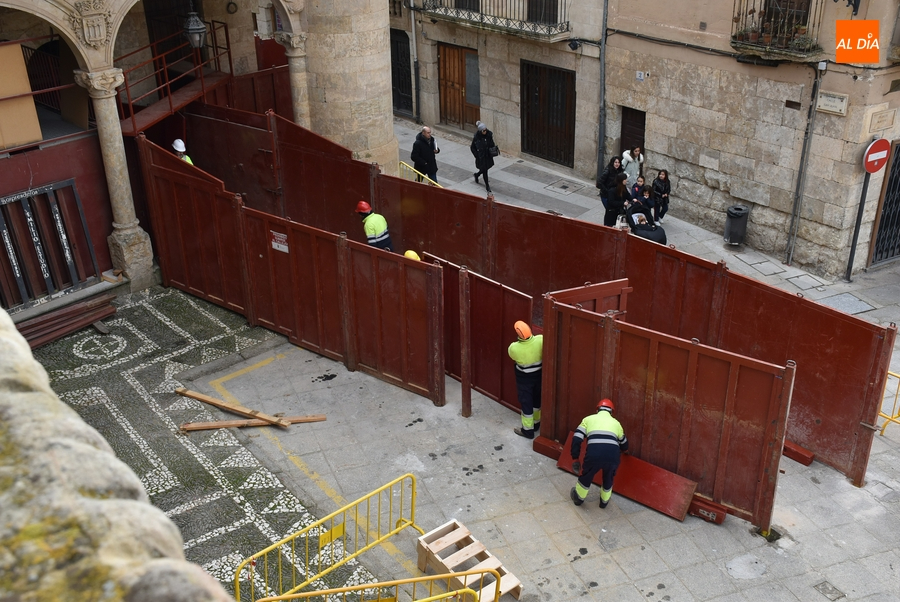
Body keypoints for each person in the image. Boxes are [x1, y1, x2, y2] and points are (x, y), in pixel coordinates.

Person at [569, 398, 628, 508]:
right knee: (609, 477)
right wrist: (625, 451)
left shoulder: (588, 419)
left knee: (587, 475)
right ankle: (604, 502)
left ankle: (578, 498)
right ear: (611, 412)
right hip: (613, 456)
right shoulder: (617, 423)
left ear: (597, 410)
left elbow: (577, 438)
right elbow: (624, 443)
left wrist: (575, 457)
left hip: (594, 455)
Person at [508, 320, 542, 439]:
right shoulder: (540, 340)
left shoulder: (514, 348)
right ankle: (536, 424)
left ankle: (528, 431)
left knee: (526, 404)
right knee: (537, 401)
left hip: (524, 381)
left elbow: (512, 356)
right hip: (538, 377)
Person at [471, 121, 496, 194]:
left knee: (485, 168)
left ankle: (477, 174)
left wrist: (493, 149)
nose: (485, 131)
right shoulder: (477, 137)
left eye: (486, 129)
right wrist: (477, 155)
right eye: (483, 130)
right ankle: (487, 186)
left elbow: (492, 143)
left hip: (487, 155)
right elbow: (472, 147)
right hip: (481, 157)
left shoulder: (489, 135)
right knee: (485, 171)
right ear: (480, 131)